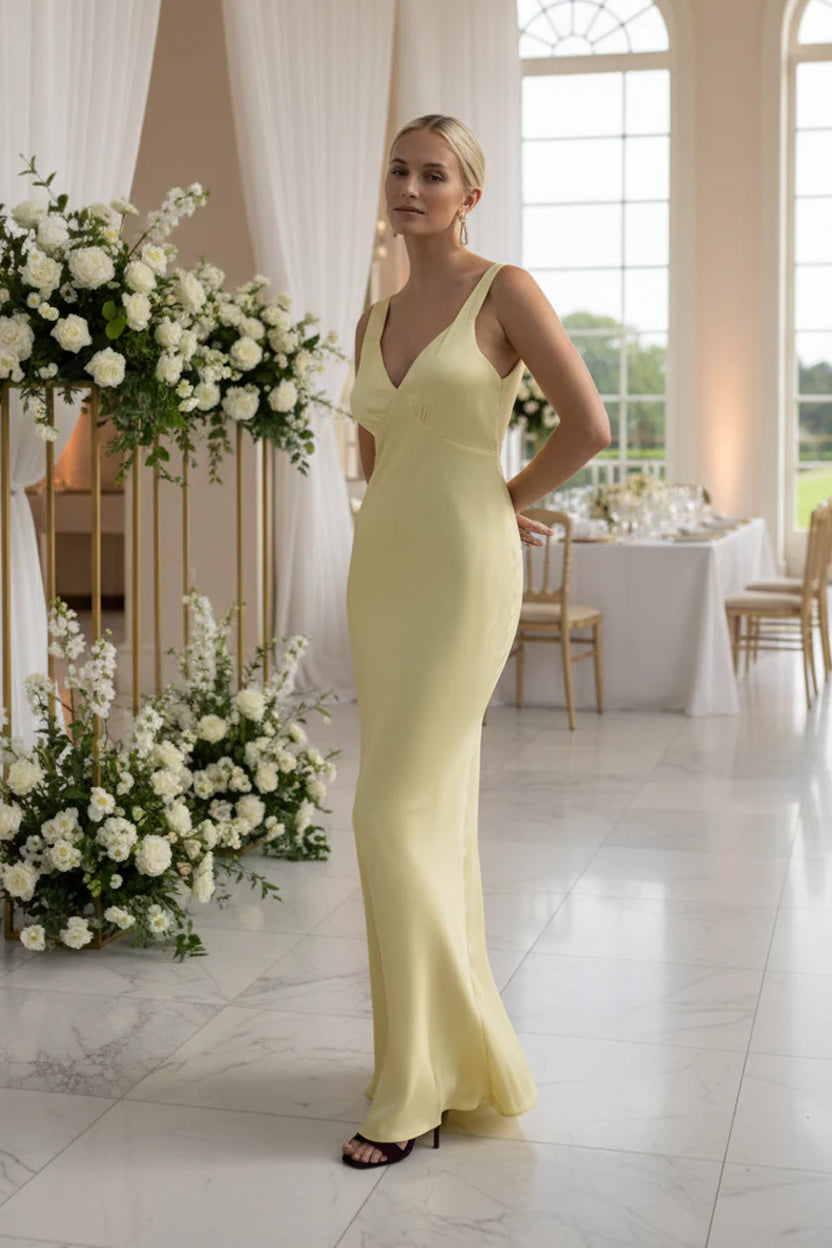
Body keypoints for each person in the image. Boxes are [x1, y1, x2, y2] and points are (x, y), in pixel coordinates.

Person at [342, 114, 610, 1170]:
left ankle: (410, 1091)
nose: (411, 186)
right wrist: (422, 495)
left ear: (468, 195)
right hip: (383, 570)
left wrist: (500, 495)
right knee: (427, 813)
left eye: (433, 174)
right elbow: (373, 456)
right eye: (399, 169)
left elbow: (584, 424)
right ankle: (441, 1060)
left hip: (463, 564)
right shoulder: (369, 318)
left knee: (386, 812)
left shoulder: (505, 289)